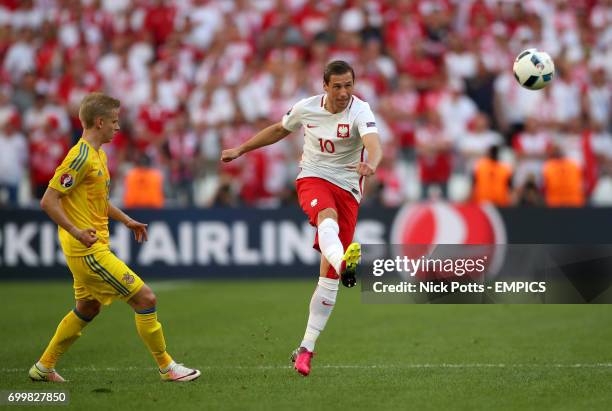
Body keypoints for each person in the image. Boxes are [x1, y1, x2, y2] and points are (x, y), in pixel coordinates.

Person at [221, 60, 382, 376]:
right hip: (313, 176)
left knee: (328, 279)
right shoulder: (307, 108)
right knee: (326, 215)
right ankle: (342, 261)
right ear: (324, 85)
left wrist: (372, 163)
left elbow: (373, 144)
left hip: (349, 187)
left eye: (348, 85)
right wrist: (241, 149)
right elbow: (279, 130)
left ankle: (306, 348)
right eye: (337, 86)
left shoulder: (361, 110)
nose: (343, 92)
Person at [29, 93, 200, 382]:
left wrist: (127, 220)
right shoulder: (80, 157)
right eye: (114, 121)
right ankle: (167, 367)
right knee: (146, 298)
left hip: (90, 245)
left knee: (88, 307)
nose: (118, 127)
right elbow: (48, 200)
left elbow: (98, 200)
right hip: (88, 250)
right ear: (99, 122)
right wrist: (76, 231)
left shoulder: (98, 154)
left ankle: (43, 367)